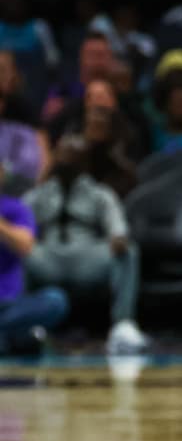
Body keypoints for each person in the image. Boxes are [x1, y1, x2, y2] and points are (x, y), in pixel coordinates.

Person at [22, 135, 145, 354]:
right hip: (48, 257)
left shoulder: (100, 194)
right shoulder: (39, 194)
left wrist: (117, 237)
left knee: (129, 252)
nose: (66, 162)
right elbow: (19, 221)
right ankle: (22, 323)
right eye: (62, 155)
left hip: (86, 257)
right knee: (15, 251)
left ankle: (123, 324)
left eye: (73, 156)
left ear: (84, 162)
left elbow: (117, 227)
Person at [0, 186, 62, 356]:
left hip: (9, 305)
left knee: (55, 300)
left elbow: (24, 245)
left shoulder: (16, 208)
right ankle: (12, 339)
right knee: (24, 339)